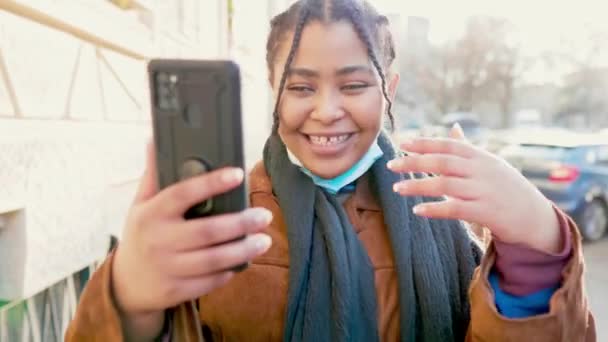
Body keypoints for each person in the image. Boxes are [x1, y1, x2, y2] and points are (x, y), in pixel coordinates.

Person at [66, 0, 596, 341]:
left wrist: (534, 248)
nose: (325, 110)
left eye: (354, 85)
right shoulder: (219, 223)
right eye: (300, 87)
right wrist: (126, 301)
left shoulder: (439, 213)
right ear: (273, 85)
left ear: (389, 85)